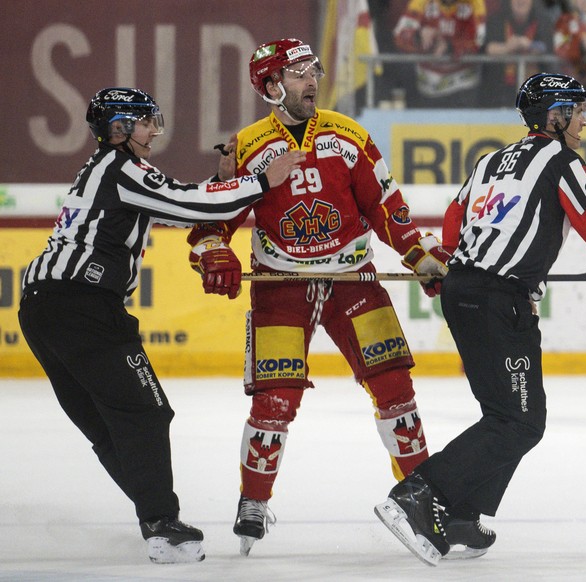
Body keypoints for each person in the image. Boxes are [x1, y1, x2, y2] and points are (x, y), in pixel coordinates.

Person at [374, 72, 586, 566]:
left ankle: (462, 514)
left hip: (465, 291)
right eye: (576, 111)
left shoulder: (490, 159)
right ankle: (420, 493)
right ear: (553, 116)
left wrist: (449, 258)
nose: (583, 120)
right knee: (520, 423)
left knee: (504, 416)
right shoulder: (561, 159)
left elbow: (454, 215)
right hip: (498, 300)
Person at [185, 38, 453, 557]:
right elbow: (211, 223)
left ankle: (422, 499)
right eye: (298, 72)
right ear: (270, 86)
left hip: (354, 282)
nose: (312, 80)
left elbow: (387, 208)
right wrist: (214, 251)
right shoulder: (244, 147)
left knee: (396, 388)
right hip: (280, 287)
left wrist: (420, 256)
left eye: (314, 69)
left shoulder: (348, 134)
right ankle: (253, 503)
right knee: (274, 401)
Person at [17, 87, 301, 564]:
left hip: (44, 307)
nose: (153, 131)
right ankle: (162, 526)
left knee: (108, 425)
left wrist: (222, 180)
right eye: (145, 122)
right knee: (147, 414)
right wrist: (261, 181)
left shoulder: (107, 171)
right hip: (84, 307)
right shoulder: (122, 167)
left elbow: (174, 205)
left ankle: (154, 514)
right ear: (119, 129)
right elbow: (189, 204)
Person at [392, 0, 487, 107]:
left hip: (464, 88)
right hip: (427, 88)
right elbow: (399, 36)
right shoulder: (420, 2)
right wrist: (419, 35)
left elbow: (480, 42)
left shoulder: (475, 3)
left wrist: (449, 46)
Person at [481, 0, 554, 108]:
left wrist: (529, 45)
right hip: (499, 92)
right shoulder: (497, 19)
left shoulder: (543, 20)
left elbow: (547, 47)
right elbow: (488, 47)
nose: (521, 1)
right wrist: (507, 47)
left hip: (536, 93)